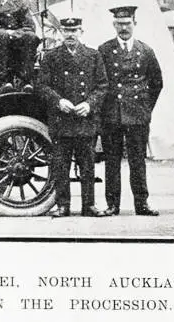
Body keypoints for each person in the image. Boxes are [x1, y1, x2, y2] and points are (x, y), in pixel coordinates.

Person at [37, 16, 109, 218]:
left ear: (81, 32)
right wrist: (59, 101)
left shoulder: (93, 56)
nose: (70, 35)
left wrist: (89, 104)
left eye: (74, 31)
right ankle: (63, 205)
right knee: (61, 166)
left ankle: (89, 206)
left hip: (85, 119)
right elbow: (42, 85)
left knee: (87, 166)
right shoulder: (51, 57)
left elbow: (102, 86)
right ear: (61, 33)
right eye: (67, 31)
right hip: (62, 120)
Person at [98, 6, 163, 216]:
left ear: (135, 23)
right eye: (119, 24)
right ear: (113, 25)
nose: (124, 28)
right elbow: (99, 83)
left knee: (138, 161)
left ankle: (141, 204)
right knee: (112, 162)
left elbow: (156, 83)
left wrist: (145, 108)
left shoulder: (146, 51)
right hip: (112, 115)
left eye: (127, 23)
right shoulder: (104, 50)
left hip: (137, 115)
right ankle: (113, 204)